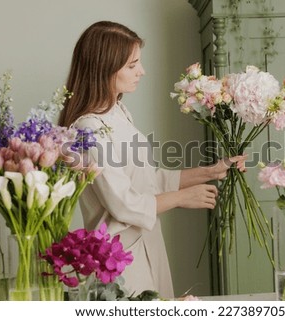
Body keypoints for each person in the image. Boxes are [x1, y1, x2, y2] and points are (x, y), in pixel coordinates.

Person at [58, 21, 246, 299]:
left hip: (145, 244)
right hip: (117, 258)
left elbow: (149, 180)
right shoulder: (89, 129)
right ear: (105, 68)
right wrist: (183, 198)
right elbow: (123, 203)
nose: (141, 71)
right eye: (132, 65)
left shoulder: (118, 113)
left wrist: (212, 171)